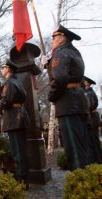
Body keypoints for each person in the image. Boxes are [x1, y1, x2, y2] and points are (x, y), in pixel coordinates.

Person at [42, 25, 90, 170]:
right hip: (77, 100)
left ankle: (80, 183)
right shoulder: (74, 52)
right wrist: (49, 65)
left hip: (68, 103)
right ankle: (87, 178)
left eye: (54, 38)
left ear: (62, 38)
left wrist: (52, 95)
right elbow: (68, 73)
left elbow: (60, 78)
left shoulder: (61, 53)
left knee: (73, 149)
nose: (52, 41)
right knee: (82, 146)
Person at [0, 60, 30, 187]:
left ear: (8, 69)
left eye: (3, 68)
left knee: (17, 151)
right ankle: (24, 177)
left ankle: (21, 178)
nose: (2, 70)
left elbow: (6, 101)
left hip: (13, 119)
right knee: (21, 149)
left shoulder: (9, 83)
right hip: (19, 117)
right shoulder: (17, 82)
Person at [84, 76, 102, 164]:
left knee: (94, 141)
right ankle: (95, 159)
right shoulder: (87, 92)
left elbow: (89, 106)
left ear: (87, 83)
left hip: (92, 119)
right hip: (91, 118)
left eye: (84, 81)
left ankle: (98, 160)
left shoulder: (89, 93)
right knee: (92, 140)